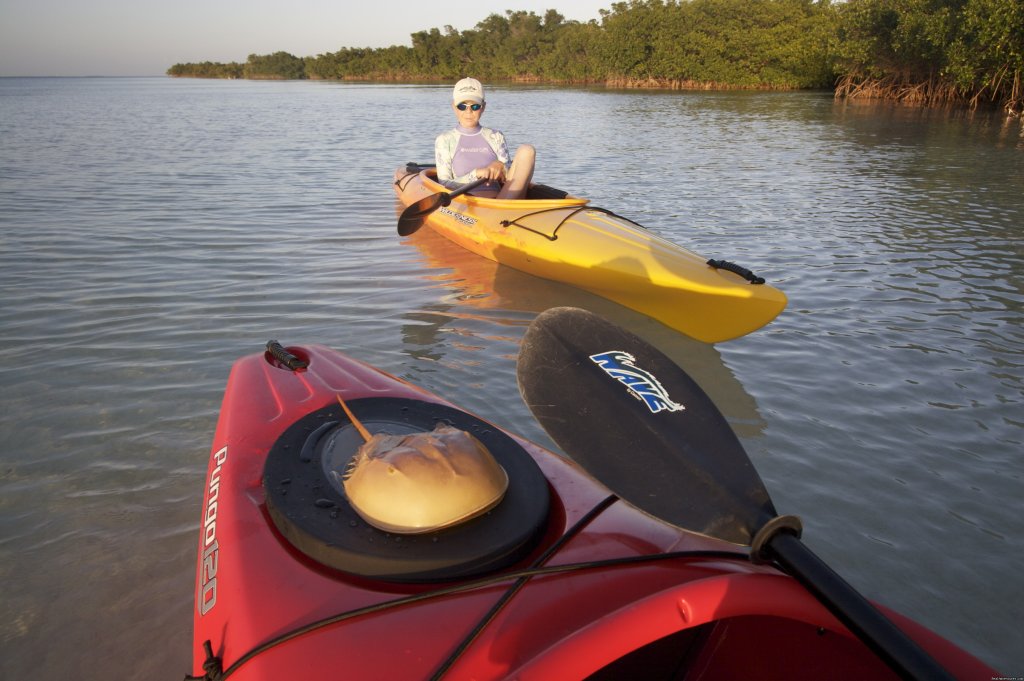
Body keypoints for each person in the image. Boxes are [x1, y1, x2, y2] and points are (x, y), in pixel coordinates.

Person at [434, 77, 535, 200]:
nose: (468, 111)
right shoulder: (445, 140)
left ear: (483, 107)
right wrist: (476, 174)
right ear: (454, 107)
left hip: (502, 199)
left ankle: (507, 208)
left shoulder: (496, 136)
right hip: (469, 204)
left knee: (527, 150)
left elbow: (510, 177)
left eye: (475, 106)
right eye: (462, 106)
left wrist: (501, 167)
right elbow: (444, 184)